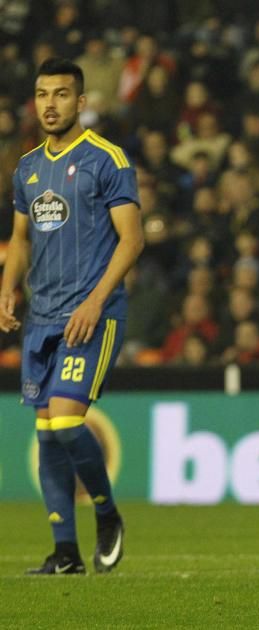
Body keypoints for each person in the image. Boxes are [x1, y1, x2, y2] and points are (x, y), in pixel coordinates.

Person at [0, 58, 143, 574]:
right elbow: (19, 239)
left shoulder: (108, 159)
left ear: (81, 102)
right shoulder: (28, 167)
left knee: (65, 420)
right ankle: (65, 553)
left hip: (92, 314)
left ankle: (106, 514)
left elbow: (133, 238)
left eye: (61, 94)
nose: (50, 104)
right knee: (45, 433)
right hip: (42, 315)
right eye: (42, 95)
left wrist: (95, 299)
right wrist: (7, 288)